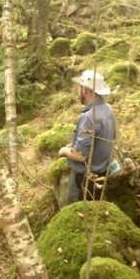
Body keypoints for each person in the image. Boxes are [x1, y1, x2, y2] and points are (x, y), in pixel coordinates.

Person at [58, 70, 116, 203]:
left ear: (84, 90)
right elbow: (102, 139)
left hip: (85, 178)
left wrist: (64, 151)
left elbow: (80, 156)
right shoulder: (107, 109)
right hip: (101, 173)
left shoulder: (90, 117)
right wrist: (74, 145)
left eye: (79, 87)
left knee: (75, 211)